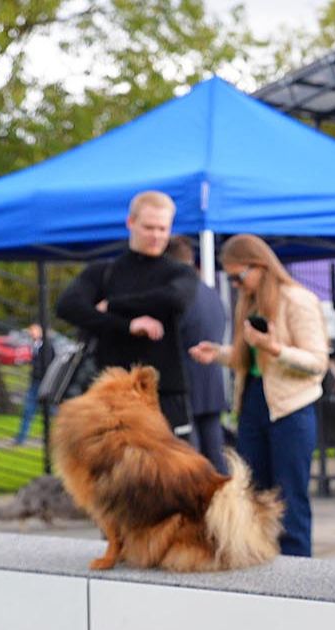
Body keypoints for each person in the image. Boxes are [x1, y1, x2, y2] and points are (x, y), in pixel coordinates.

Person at [188, 235, 328, 557]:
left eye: (239, 276)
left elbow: (317, 362)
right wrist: (220, 353)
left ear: (260, 266)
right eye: (230, 278)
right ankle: (261, 561)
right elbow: (248, 360)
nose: (235, 284)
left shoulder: (297, 299)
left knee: (289, 498)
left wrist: (274, 348)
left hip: (291, 409)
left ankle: (296, 571)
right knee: (252, 494)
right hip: (252, 404)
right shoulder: (248, 301)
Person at [55, 190, 198, 437]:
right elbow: (68, 306)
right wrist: (126, 326)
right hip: (110, 391)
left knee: (172, 471)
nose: (156, 236)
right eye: (149, 227)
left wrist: (113, 305)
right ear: (131, 223)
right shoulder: (104, 272)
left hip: (165, 392)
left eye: (163, 229)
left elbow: (176, 299)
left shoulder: (179, 272)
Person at [169, 236, 231, 475]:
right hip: (211, 382)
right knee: (216, 457)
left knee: (189, 461)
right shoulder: (210, 292)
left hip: (183, 385)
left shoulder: (178, 293)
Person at [12, 323, 54, 445]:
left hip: (43, 383)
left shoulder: (46, 346)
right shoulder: (36, 346)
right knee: (28, 411)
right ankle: (21, 438)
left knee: (51, 411)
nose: (31, 333)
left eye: (34, 331)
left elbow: (48, 364)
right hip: (36, 382)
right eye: (31, 331)